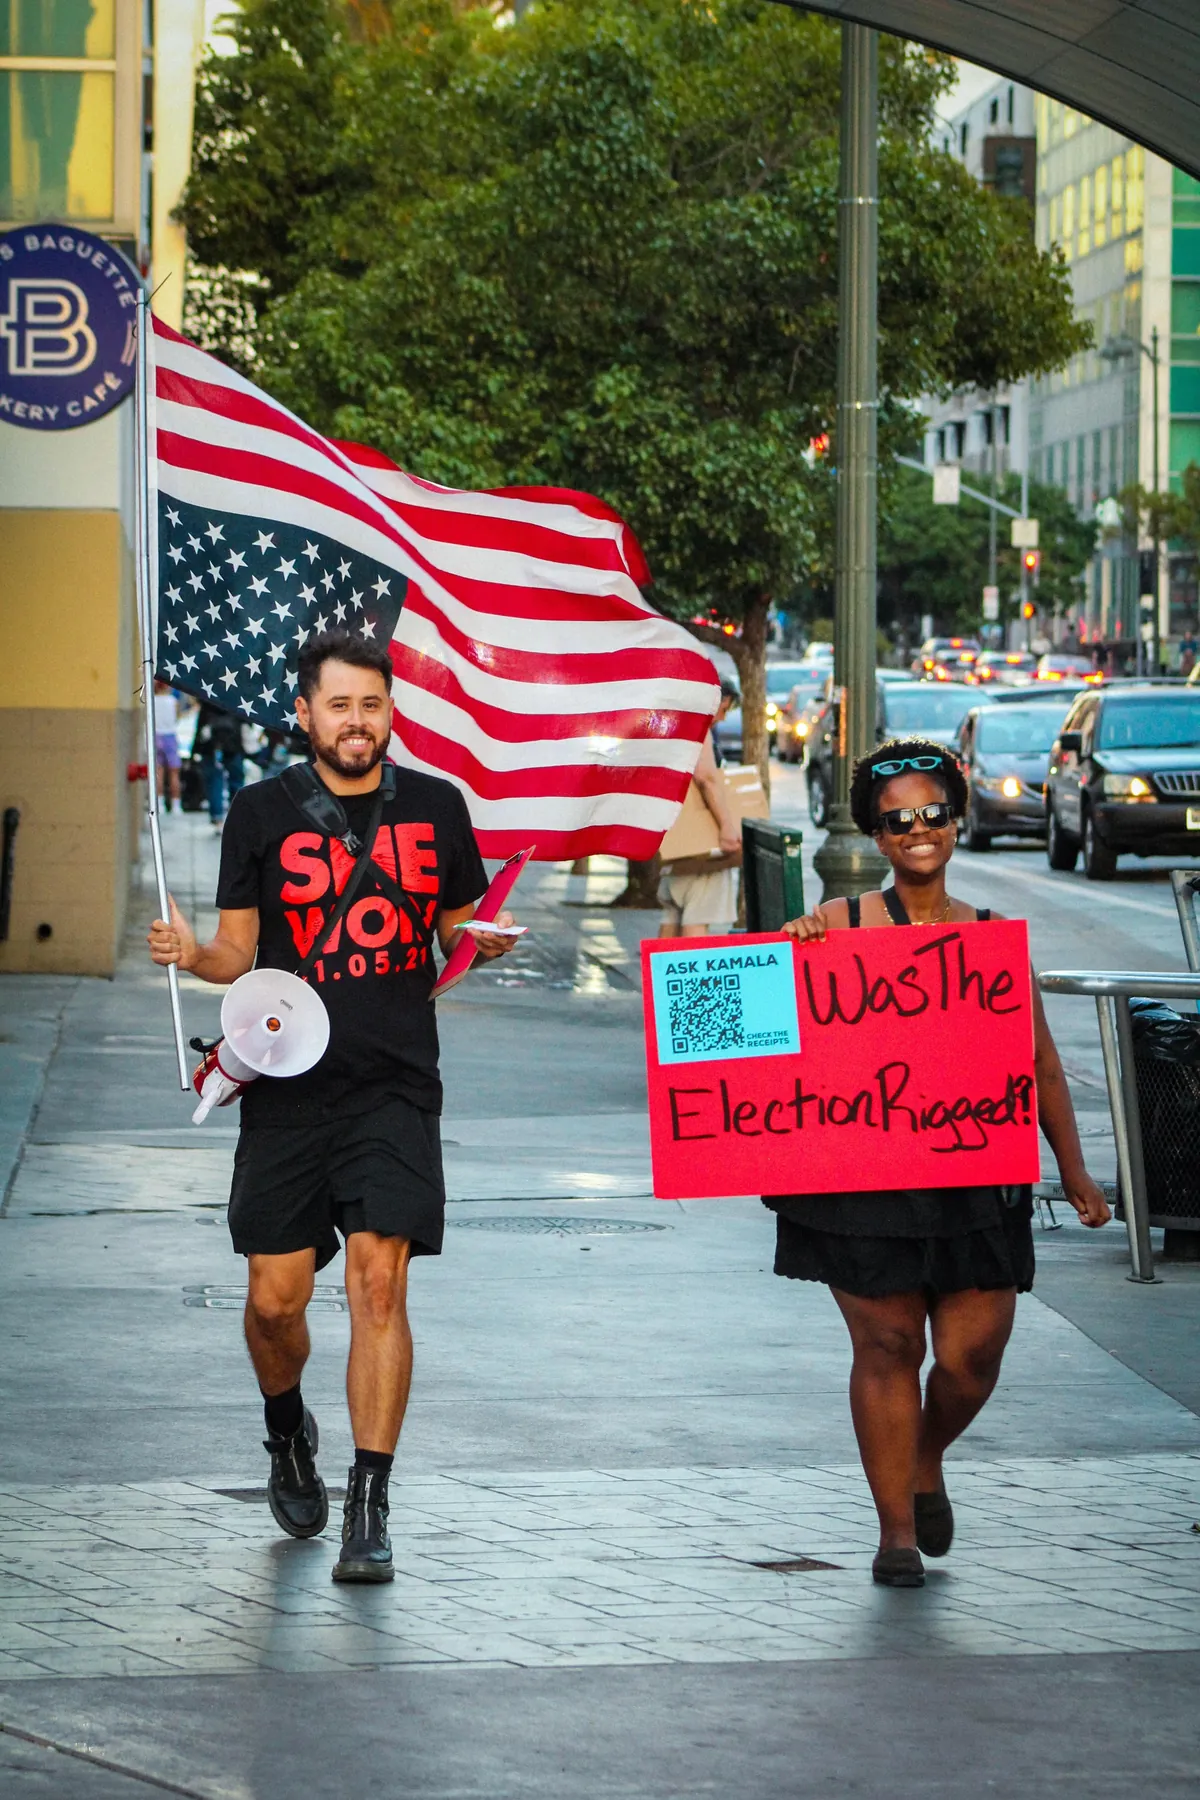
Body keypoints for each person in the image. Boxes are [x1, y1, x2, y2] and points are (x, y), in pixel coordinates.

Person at [148, 630, 518, 1582]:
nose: (359, 723)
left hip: (394, 1084)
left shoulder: (437, 808)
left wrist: (484, 940)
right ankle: (286, 1434)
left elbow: (451, 931)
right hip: (286, 1088)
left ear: (392, 711)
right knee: (275, 1300)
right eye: (341, 706)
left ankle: (370, 1500)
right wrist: (193, 956)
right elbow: (239, 953)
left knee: (378, 1286)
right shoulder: (261, 812)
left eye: (374, 705)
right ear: (304, 713)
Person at [768, 738, 1110, 1589]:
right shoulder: (836, 929)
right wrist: (785, 952)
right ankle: (896, 1536)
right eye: (897, 822)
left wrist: (1073, 1171)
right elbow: (750, 1034)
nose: (917, 831)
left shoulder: (992, 943)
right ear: (876, 839)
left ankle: (926, 1455)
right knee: (888, 1343)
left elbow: (1039, 1065)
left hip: (975, 1181)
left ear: (956, 823)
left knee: (969, 1358)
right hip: (861, 1183)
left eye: (933, 814)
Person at [657, 723, 743, 938]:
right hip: (701, 840)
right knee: (697, 915)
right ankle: (695, 972)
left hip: (674, 835)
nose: (723, 716)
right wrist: (726, 826)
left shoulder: (666, 719)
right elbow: (706, 777)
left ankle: (655, 972)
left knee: (671, 914)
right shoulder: (696, 723)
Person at [193, 701, 245, 830]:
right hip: (233, 743)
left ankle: (217, 818)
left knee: (214, 782)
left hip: (211, 746)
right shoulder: (235, 697)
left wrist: (195, 750)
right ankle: (238, 816)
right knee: (236, 782)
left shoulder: (207, 698)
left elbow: (200, 723)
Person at [153, 680, 181, 811]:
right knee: (174, 773)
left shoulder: (152, 701)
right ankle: (176, 804)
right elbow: (176, 718)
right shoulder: (172, 701)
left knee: (159, 771)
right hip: (169, 735)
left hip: (156, 735)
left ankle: (160, 803)